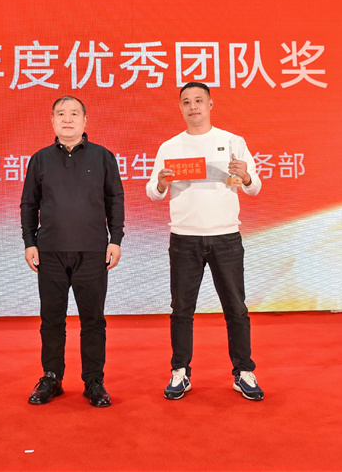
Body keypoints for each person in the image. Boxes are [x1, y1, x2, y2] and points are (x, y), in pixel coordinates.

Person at [145, 82, 264, 401]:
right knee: (181, 309)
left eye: (199, 100)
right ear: (180, 108)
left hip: (226, 236)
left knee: (236, 308)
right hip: (184, 238)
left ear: (211, 105)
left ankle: (243, 371)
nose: (193, 106)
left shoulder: (232, 141)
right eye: (186, 102)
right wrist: (160, 182)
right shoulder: (170, 147)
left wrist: (246, 175)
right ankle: (180, 372)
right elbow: (153, 192)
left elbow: (254, 187)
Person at [20, 96, 125, 408]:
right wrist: (29, 242)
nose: (67, 119)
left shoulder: (103, 157)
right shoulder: (40, 159)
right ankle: (51, 377)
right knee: (51, 319)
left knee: (93, 320)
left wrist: (116, 239)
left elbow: (115, 200)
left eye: (74, 113)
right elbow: (29, 203)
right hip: (50, 251)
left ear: (85, 120)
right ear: (52, 121)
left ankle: (94, 381)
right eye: (61, 114)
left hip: (92, 250)